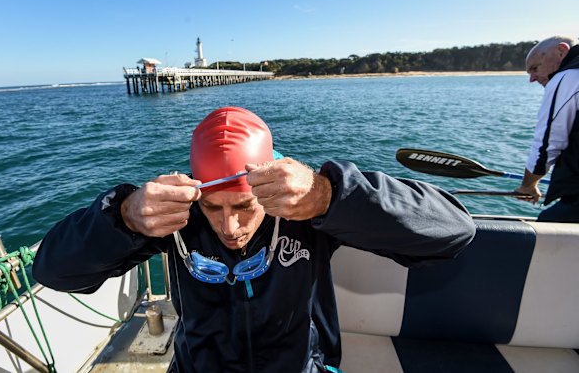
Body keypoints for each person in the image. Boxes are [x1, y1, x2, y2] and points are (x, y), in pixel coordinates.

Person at [33, 106, 476, 373]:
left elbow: (453, 232)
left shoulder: (304, 211)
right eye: (214, 209)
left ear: (268, 189)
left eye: (244, 207)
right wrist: (123, 217)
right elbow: (54, 272)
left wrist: (331, 196)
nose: (229, 227)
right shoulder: (176, 217)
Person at [515, 36, 579, 222]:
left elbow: (548, 143)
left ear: (561, 51)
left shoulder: (567, 77)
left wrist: (528, 185)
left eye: (535, 68)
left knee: (546, 234)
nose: (532, 79)